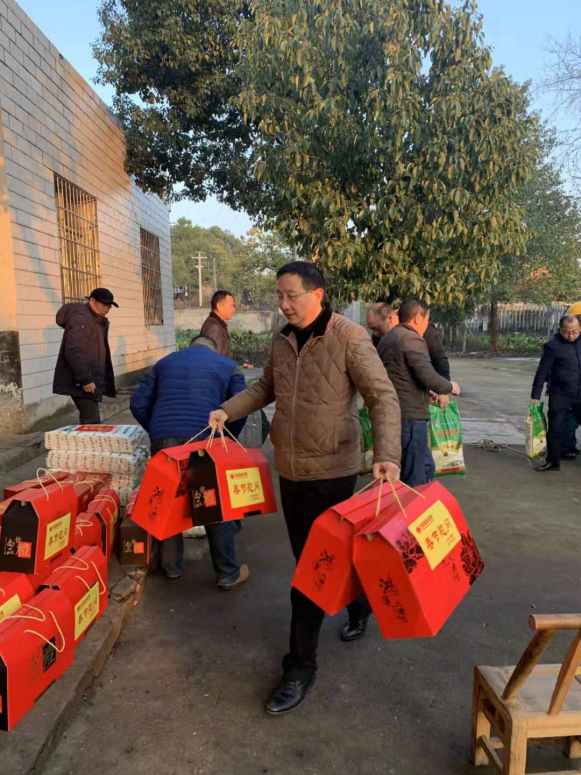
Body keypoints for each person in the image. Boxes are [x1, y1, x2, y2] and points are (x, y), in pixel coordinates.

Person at [209, 261, 401, 715]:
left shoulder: (349, 337)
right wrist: (227, 409)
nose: (283, 303)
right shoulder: (281, 340)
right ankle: (359, 605)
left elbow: (382, 396)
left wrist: (387, 455)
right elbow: (265, 388)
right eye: (279, 295)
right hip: (291, 471)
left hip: (333, 471)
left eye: (290, 295)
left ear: (317, 294)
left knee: (311, 574)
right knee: (319, 561)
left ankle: (299, 668)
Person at [130, 335, 250, 588]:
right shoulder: (228, 366)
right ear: (214, 349)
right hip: (204, 440)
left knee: (168, 502)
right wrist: (226, 439)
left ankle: (171, 568)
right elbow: (240, 408)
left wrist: (157, 430)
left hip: (164, 441)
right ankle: (228, 573)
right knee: (212, 504)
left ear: (190, 347)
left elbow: (138, 403)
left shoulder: (163, 364)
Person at [377, 299, 461, 487]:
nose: (426, 325)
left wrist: (423, 392)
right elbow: (426, 374)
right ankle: (412, 505)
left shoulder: (387, 338)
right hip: (410, 417)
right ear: (417, 318)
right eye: (426, 320)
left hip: (393, 414)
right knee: (415, 477)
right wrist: (449, 386)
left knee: (419, 468)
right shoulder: (412, 339)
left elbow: (400, 376)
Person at [53, 288, 117, 424]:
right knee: (91, 421)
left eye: (109, 306)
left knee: (90, 421)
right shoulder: (82, 320)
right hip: (81, 380)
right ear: (92, 301)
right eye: (104, 305)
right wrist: (85, 379)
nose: (107, 309)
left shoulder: (94, 319)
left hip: (89, 377)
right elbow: (73, 351)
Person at [531, 314, 581, 472]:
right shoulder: (552, 346)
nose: (570, 335)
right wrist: (535, 395)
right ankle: (553, 462)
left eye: (574, 331)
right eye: (566, 332)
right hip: (560, 394)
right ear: (560, 329)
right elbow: (542, 371)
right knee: (555, 429)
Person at [559, 302, 581, 459]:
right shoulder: (568, 340)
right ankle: (565, 448)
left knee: (569, 419)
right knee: (570, 419)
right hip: (569, 388)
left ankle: (568, 447)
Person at [200, 291, 236, 358]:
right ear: (219, 306)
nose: (233, 310)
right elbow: (214, 359)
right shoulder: (213, 327)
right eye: (231, 306)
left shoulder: (218, 324)